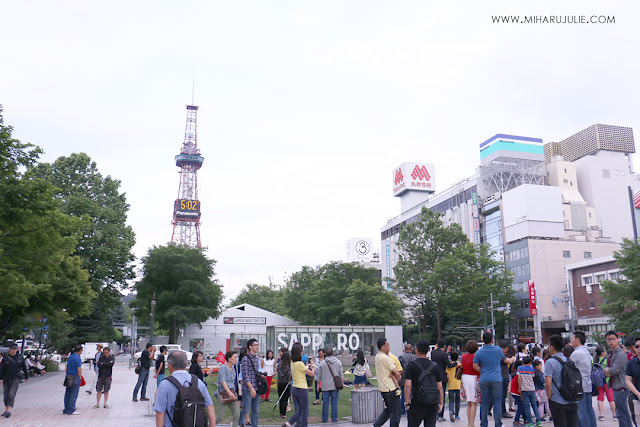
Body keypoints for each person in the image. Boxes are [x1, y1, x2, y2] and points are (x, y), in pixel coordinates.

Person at [154, 350, 216, 427]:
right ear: (186, 364)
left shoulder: (165, 384)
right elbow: (210, 407)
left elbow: (160, 412)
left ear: (169, 366)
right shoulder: (198, 382)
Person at [403, 339, 444, 427]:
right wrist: (441, 403)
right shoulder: (434, 366)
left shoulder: (411, 365)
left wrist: (407, 403)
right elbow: (440, 387)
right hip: (432, 403)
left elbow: (407, 385)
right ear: (428, 350)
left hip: (417, 402)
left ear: (416, 350)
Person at [545, 335, 578, 427]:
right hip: (572, 400)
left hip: (557, 401)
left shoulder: (550, 362)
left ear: (551, 347)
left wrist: (549, 397)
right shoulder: (569, 360)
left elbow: (548, 383)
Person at [474, 332, 504, 427]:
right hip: (496, 379)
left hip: (484, 379)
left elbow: (475, 366)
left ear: (483, 340)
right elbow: (503, 359)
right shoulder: (498, 350)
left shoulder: (479, 352)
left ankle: (483, 424)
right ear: (492, 340)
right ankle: (498, 424)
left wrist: (482, 370)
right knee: (497, 403)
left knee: (484, 403)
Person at [282, 342, 316, 427]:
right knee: (304, 412)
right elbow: (311, 374)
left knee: (300, 410)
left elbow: (296, 372)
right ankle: (297, 424)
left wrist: (307, 367)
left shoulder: (293, 363)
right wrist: (314, 366)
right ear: (299, 353)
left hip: (295, 388)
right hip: (302, 388)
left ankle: (289, 423)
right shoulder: (300, 364)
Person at [605, 331, 632, 427]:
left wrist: (607, 370)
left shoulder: (620, 354)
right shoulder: (611, 353)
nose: (611, 341)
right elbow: (608, 371)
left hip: (621, 387)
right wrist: (608, 370)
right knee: (624, 413)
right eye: (609, 339)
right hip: (617, 386)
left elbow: (613, 371)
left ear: (618, 340)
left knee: (621, 414)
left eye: (613, 339)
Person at [569, 331, 596, 427]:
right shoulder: (586, 351)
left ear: (577, 339)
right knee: (589, 410)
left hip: (579, 386)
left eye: (572, 338)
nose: (571, 340)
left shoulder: (577, 353)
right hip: (587, 384)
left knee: (582, 412)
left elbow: (567, 367)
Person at [373, 337, 402, 427]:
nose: (389, 346)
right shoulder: (386, 358)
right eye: (387, 345)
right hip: (390, 388)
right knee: (396, 413)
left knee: (389, 409)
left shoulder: (377, 357)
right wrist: (396, 375)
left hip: (383, 388)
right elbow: (397, 373)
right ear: (382, 347)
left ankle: (376, 425)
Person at [431, 339, 457, 421]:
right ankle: (440, 415)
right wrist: (455, 363)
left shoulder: (433, 353)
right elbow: (449, 365)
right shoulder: (444, 354)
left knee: (435, 395)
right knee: (441, 395)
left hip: (433, 376)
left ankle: (434, 414)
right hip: (442, 376)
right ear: (445, 346)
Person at [0, 343, 29, 418]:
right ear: (9, 349)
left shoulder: (19, 357)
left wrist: (26, 376)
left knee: (11, 394)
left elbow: (24, 367)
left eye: (15, 349)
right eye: (12, 349)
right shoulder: (5, 358)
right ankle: (6, 409)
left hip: (15, 378)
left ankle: (9, 410)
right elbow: (1, 369)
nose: (13, 350)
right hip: (6, 379)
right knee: (6, 395)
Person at [240, 338, 262, 427]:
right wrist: (251, 388)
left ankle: (254, 425)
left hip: (257, 387)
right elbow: (245, 375)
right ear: (250, 347)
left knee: (256, 410)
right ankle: (240, 423)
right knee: (246, 408)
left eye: (257, 345)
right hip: (248, 388)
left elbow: (258, 371)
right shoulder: (245, 359)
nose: (257, 347)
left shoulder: (257, 359)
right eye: (255, 345)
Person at [316, 347, 343, 423]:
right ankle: (334, 418)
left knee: (325, 403)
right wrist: (342, 383)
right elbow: (341, 374)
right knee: (334, 403)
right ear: (333, 354)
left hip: (325, 386)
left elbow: (319, 376)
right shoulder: (338, 362)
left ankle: (325, 418)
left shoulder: (322, 363)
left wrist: (318, 385)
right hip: (335, 385)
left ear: (325, 354)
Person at [214, 350, 240, 427]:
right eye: (234, 357)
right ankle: (208, 424)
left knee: (237, 414)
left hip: (232, 393)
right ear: (229, 359)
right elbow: (223, 381)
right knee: (220, 417)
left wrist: (233, 393)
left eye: (237, 357)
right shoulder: (223, 368)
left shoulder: (233, 369)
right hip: (223, 394)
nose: (236, 359)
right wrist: (229, 393)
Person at [517, 356, 541, 426]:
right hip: (532, 388)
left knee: (527, 406)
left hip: (524, 389)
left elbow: (519, 378)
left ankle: (530, 422)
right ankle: (539, 421)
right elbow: (533, 377)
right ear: (530, 363)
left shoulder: (520, 368)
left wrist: (519, 388)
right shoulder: (531, 369)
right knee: (534, 405)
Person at [594, 346, 617, 421]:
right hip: (607, 381)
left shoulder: (594, 360)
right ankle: (614, 414)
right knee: (611, 398)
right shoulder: (607, 360)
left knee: (600, 398)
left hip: (598, 381)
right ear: (602, 353)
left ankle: (601, 415)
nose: (605, 352)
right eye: (604, 351)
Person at [462, 340, 481, 427]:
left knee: (469, 402)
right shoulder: (476, 357)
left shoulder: (463, 356)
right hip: (474, 378)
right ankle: (472, 423)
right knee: (474, 402)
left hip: (465, 378)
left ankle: (469, 422)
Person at [63, 344, 83, 415]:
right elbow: (79, 369)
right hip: (75, 377)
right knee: (73, 394)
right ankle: (71, 409)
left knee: (68, 393)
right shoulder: (77, 358)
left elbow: (66, 367)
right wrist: (80, 377)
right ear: (80, 350)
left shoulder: (70, 357)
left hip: (68, 377)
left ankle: (66, 409)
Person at [499, 341, 516, 420]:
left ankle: (499, 410)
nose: (506, 351)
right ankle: (502, 411)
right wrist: (513, 357)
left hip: (501, 376)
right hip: (503, 376)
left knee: (500, 395)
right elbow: (509, 361)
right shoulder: (500, 354)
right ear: (503, 348)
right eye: (506, 349)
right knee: (502, 395)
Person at [399, 343, 418, 415]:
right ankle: (413, 408)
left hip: (404, 378)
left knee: (404, 394)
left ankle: (402, 410)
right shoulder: (415, 357)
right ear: (412, 349)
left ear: (405, 349)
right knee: (413, 394)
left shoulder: (401, 357)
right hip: (413, 378)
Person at [626, 336, 640, 427]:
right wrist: (638, 394)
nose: (639, 349)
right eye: (637, 346)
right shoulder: (631, 363)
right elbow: (628, 380)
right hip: (637, 398)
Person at [446, 352, 462, 422]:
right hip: (458, 385)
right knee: (457, 401)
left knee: (451, 400)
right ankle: (457, 415)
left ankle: (451, 411)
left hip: (451, 385)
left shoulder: (449, 366)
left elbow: (447, 375)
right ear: (458, 358)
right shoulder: (459, 365)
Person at [276, 350, 292, 419]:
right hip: (286, 383)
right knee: (285, 398)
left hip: (280, 383)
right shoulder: (288, 365)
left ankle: (281, 413)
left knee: (280, 398)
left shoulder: (279, 364)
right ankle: (283, 414)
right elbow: (289, 374)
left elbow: (279, 373)